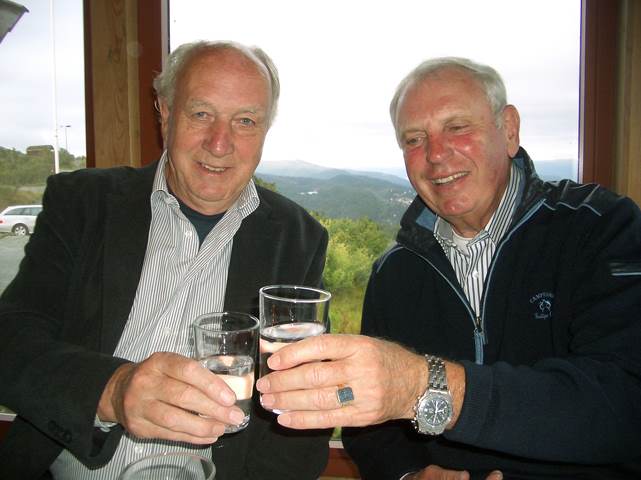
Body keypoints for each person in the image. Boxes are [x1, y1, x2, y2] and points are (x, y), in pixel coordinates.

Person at [255, 57, 641, 479]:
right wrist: (409, 474)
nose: (436, 154)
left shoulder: (601, 228)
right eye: (414, 139)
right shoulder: (395, 272)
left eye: (457, 127)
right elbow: (370, 435)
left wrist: (427, 385)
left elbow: (624, 401)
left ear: (509, 130)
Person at [0, 40, 330, 480]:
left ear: (265, 130)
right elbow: (11, 339)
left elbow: (295, 423)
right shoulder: (83, 203)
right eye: (200, 113)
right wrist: (112, 390)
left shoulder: (298, 238)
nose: (219, 143)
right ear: (165, 111)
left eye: (245, 121)